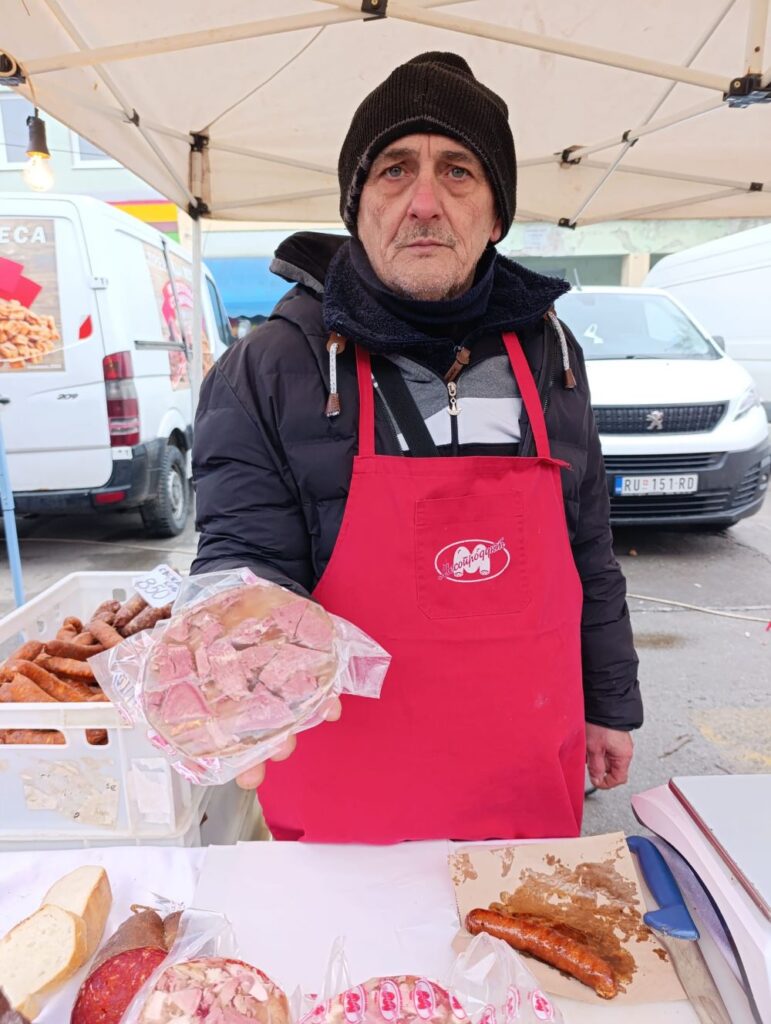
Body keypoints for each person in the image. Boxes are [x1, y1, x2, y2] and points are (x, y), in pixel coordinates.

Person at [192, 52, 642, 843]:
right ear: (356, 205)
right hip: (344, 785)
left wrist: (609, 704)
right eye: (394, 170)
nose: (424, 203)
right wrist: (236, 670)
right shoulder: (270, 364)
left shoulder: (551, 352)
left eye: (458, 172)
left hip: (523, 774)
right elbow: (243, 561)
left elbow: (588, 549)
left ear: (495, 215)